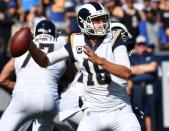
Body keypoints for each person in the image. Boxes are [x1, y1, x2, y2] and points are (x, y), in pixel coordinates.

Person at [26, 2, 141, 131]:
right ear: (83, 23)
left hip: (119, 109)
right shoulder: (76, 41)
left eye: (102, 20)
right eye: (96, 21)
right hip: (92, 113)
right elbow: (45, 60)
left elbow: (126, 73)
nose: (102, 24)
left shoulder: (114, 37)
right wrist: (30, 45)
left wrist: (100, 61)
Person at [0, 19, 67, 131]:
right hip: (50, 100)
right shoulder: (61, 43)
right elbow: (71, 76)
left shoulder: (24, 44)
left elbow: (2, 79)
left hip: (22, 99)